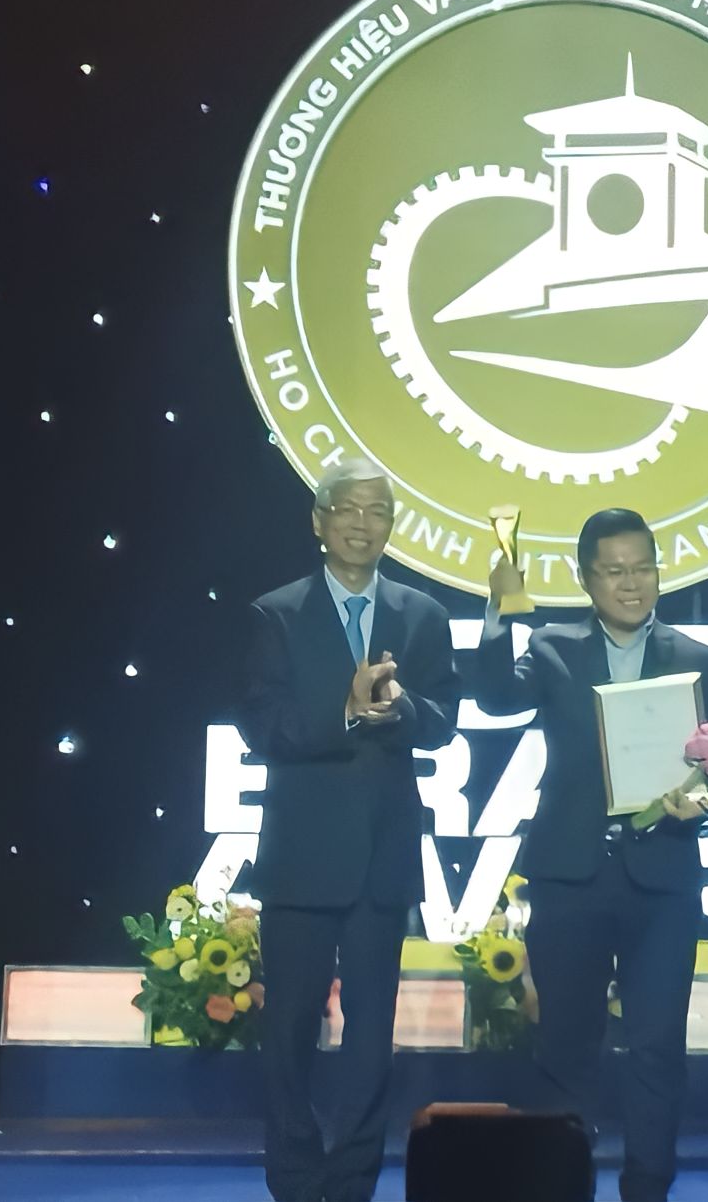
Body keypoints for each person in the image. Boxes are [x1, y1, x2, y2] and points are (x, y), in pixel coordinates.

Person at [473, 509, 708, 1202]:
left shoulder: (697, 658)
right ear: (585, 578)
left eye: (643, 568)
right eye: (614, 571)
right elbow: (494, 698)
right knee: (565, 1047)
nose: (631, 583)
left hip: (664, 880)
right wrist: (499, 612)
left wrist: (703, 803)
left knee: (656, 1049)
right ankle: (563, 1187)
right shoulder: (553, 647)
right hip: (570, 876)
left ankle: (647, 1188)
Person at [237, 456, 463, 1202]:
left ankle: (353, 1178)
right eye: (349, 509)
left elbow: (444, 722)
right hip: (301, 857)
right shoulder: (275, 614)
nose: (363, 525)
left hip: (381, 855)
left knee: (371, 1035)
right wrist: (344, 712)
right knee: (289, 1031)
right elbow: (261, 724)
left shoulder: (422, 616)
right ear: (319, 520)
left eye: (379, 512)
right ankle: (295, 1175)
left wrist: (400, 711)